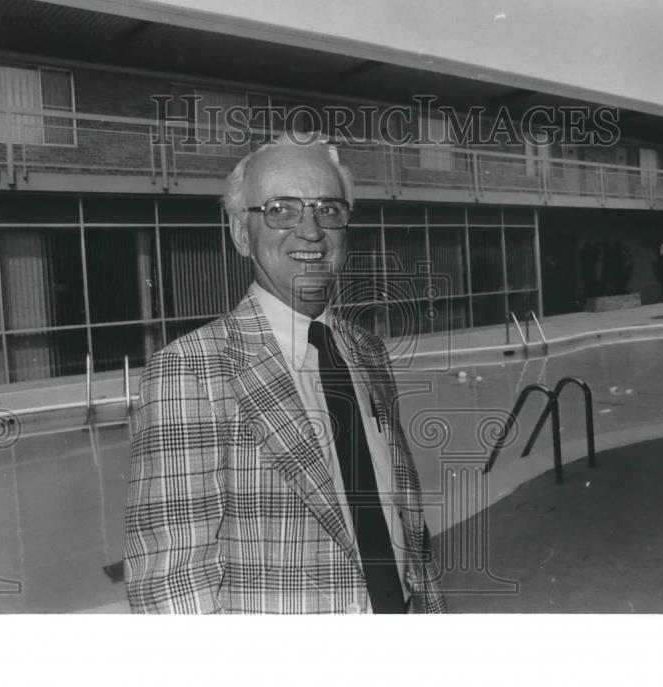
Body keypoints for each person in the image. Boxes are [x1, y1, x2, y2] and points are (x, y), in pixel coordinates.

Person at [124, 138, 447, 614]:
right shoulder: (190, 370)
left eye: (328, 209)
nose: (311, 231)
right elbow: (172, 589)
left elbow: (403, 525)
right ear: (240, 233)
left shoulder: (367, 352)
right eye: (281, 210)